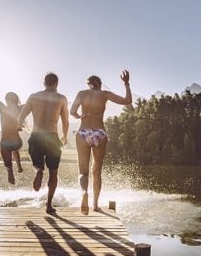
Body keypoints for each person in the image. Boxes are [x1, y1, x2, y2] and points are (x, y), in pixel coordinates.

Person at [70, 70, 132, 214]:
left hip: (83, 132)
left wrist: (80, 115)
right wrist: (126, 83)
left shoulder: (81, 93)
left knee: (83, 171)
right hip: (99, 133)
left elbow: (72, 111)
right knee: (97, 171)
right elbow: (127, 101)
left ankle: (84, 192)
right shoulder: (104, 94)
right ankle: (96, 205)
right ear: (99, 84)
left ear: (89, 84)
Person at [18, 72, 69, 214]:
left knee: (36, 163)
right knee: (54, 172)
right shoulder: (61, 98)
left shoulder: (34, 97)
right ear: (56, 84)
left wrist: (20, 126)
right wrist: (64, 136)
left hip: (36, 136)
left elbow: (21, 116)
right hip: (52, 137)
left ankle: (39, 171)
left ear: (44, 83)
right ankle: (48, 205)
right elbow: (65, 121)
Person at [0, 91, 24, 184]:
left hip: (6, 142)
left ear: (8, 100)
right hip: (17, 142)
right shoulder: (20, 109)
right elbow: (32, 103)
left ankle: (10, 171)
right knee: (14, 149)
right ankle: (19, 166)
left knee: (6, 148)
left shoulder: (3, 108)